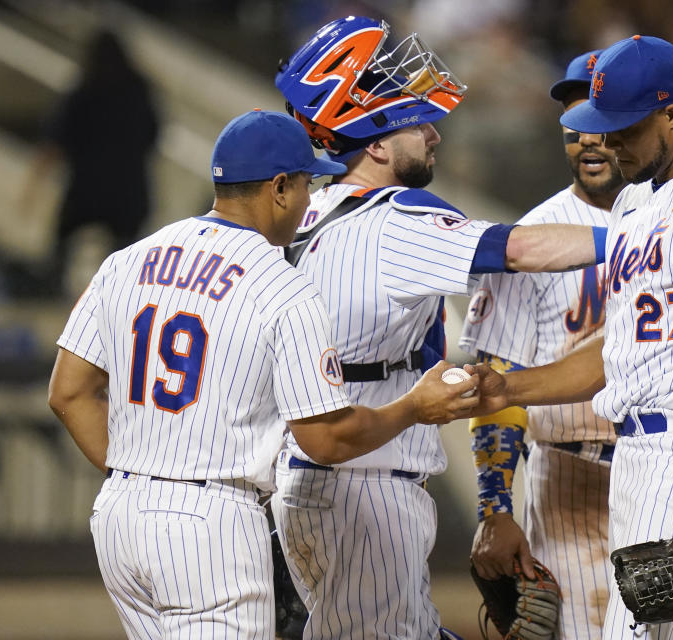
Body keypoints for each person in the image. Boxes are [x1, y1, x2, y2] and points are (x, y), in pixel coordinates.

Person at [46, 109, 482, 639]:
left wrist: (138, 477)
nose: (309, 200)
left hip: (119, 516)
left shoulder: (129, 259)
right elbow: (325, 438)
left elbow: (68, 394)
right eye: (306, 184)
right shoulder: (281, 284)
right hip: (210, 525)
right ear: (279, 187)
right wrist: (414, 407)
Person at [461, 49, 673, 639]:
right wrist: (509, 387)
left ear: (672, 115)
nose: (607, 143)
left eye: (623, 129)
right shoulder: (636, 200)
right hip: (639, 458)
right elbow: (617, 352)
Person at [269, 16, 566, 640]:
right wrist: (643, 241)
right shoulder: (397, 215)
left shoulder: (302, 210)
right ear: (375, 145)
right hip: (364, 480)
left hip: (301, 475)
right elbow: (523, 249)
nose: (433, 135)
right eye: (415, 123)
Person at [24, 29, 159, 291]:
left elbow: (56, 140)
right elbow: (153, 134)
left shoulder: (83, 90)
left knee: (62, 243)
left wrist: (31, 187)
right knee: (127, 255)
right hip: (129, 187)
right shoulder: (139, 90)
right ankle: (122, 296)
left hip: (87, 187)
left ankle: (53, 290)